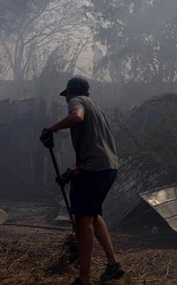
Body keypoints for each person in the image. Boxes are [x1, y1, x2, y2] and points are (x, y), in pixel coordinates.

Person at [42, 77, 124, 285]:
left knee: (83, 220)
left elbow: (76, 117)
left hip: (96, 168)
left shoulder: (76, 102)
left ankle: (84, 278)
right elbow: (98, 147)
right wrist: (75, 171)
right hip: (108, 166)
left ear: (71, 93)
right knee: (93, 216)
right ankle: (113, 265)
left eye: (66, 96)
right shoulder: (96, 108)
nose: (66, 100)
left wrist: (52, 129)